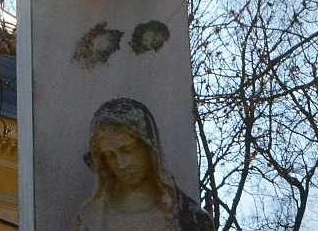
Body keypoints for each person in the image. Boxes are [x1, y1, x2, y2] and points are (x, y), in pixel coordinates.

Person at [72, 98, 213, 231]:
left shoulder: (190, 218)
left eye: (127, 150)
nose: (122, 164)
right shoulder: (90, 222)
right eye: (111, 155)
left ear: (148, 148)